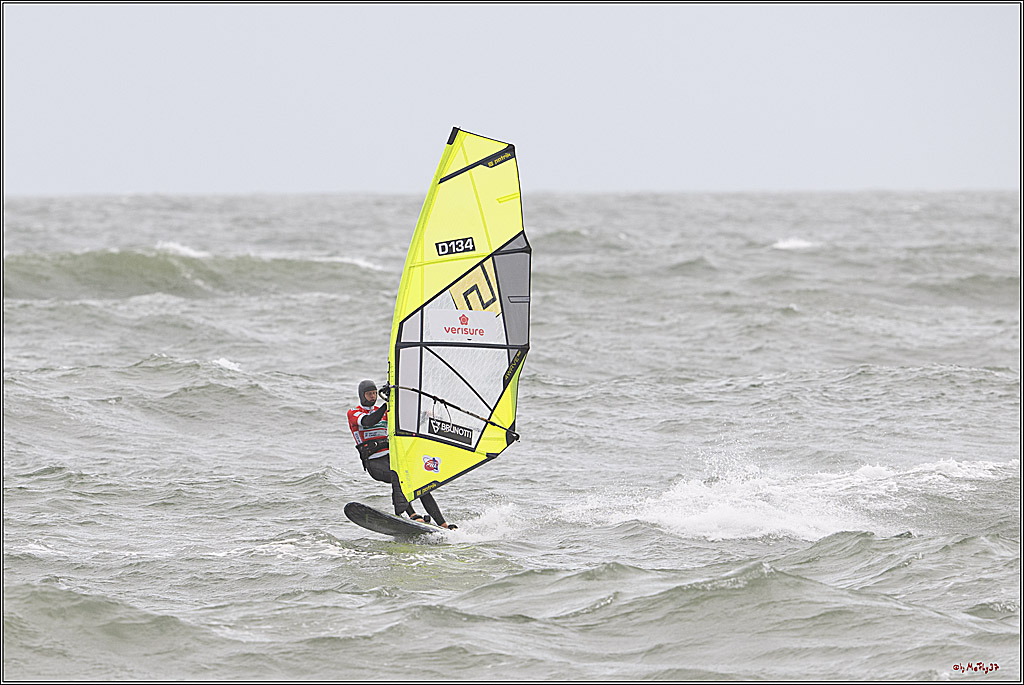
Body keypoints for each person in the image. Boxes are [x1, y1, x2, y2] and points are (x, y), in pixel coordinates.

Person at [347, 380, 456, 529]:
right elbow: (369, 421)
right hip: (374, 462)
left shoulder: (385, 411)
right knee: (398, 476)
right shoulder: (354, 413)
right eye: (369, 394)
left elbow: (406, 421)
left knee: (420, 484)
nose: (372, 397)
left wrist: (426, 415)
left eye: (374, 393)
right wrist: (389, 404)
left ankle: (443, 524)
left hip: (391, 458)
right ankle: (410, 514)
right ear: (362, 395)